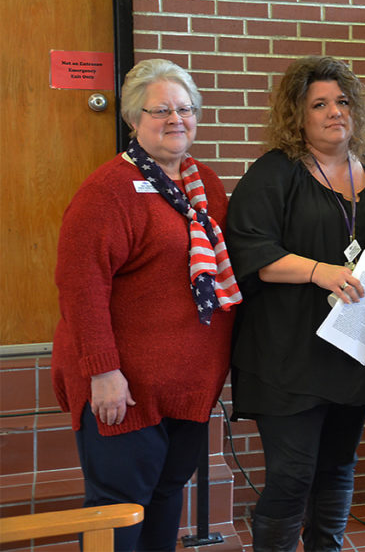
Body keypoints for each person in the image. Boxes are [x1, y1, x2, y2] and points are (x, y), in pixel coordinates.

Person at [51, 59, 241, 551]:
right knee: (119, 510)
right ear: (133, 119)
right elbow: (81, 287)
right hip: (123, 390)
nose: (177, 119)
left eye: (186, 108)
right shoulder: (108, 191)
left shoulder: (207, 188)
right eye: (161, 110)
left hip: (187, 388)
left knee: (164, 498)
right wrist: (102, 372)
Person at [224, 56, 365, 552]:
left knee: (338, 468)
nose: (334, 113)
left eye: (343, 102)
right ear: (297, 115)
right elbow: (253, 255)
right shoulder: (273, 174)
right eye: (319, 104)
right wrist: (318, 270)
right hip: (287, 355)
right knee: (293, 475)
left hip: (351, 348)